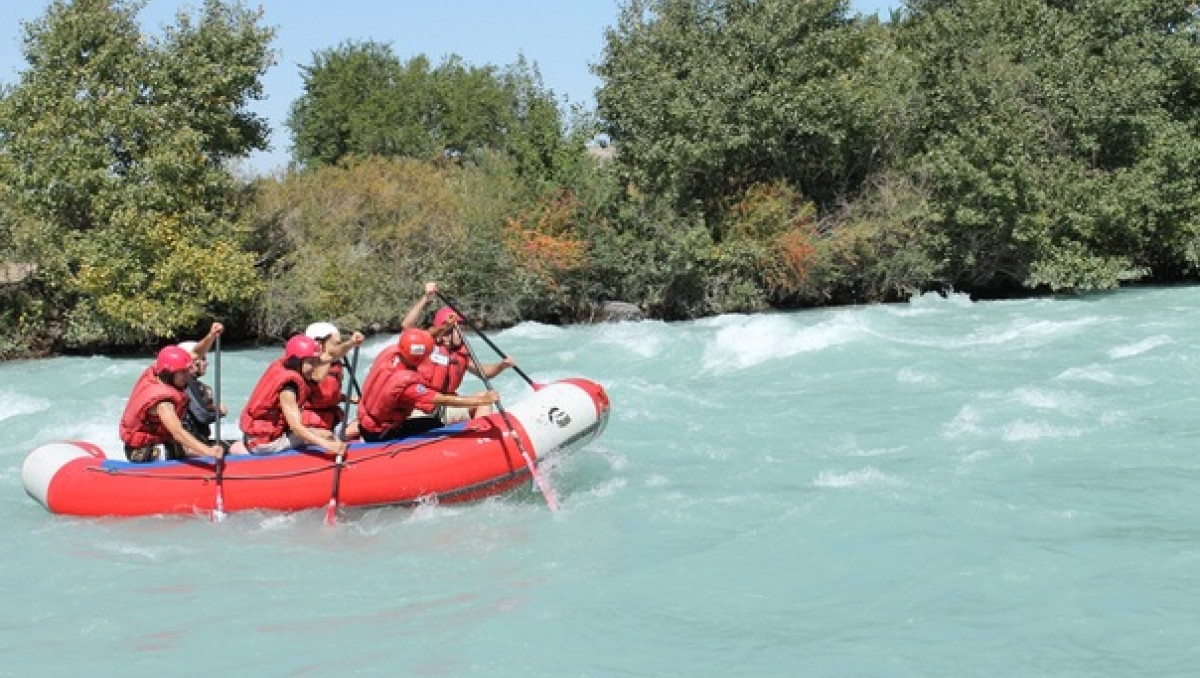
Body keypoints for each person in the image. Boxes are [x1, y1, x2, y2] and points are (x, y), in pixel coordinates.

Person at [400, 281, 516, 424]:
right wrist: (426, 298)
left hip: (448, 407)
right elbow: (407, 326)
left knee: (484, 399)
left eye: (456, 330)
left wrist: (501, 366)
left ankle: (479, 441)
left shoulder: (460, 354)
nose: (458, 334)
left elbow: (484, 373)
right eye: (449, 331)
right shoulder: (426, 347)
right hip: (421, 409)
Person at [357, 328, 499, 442]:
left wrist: (444, 326)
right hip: (381, 433)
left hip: (365, 424)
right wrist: (483, 400)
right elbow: (443, 400)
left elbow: (420, 339)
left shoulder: (390, 353)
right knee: (435, 424)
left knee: (427, 421)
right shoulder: (407, 384)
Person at [238, 334, 348, 457]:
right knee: (328, 437)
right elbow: (296, 427)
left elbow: (329, 357)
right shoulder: (289, 388)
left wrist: (351, 344)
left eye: (315, 362)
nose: (314, 367)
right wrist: (328, 445)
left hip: (257, 436)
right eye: (311, 362)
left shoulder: (284, 366)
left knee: (325, 434)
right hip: (266, 444)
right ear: (297, 362)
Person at [119, 345, 225, 463]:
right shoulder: (163, 403)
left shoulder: (159, 371)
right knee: (187, 449)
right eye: (183, 373)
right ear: (169, 374)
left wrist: (211, 335)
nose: (188, 376)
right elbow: (178, 433)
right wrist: (209, 452)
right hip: (140, 450)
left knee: (193, 446)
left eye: (187, 371)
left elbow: (194, 354)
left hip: (158, 440)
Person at [300, 322, 365, 436]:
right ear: (319, 343)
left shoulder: (335, 364)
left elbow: (327, 395)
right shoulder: (309, 365)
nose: (339, 347)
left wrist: (350, 399)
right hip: (315, 426)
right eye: (336, 344)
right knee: (364, 427)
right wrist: (350, 343)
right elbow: (318, 378)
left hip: (333, 419)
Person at [177, 322, 226, 444]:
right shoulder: (188, 383)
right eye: (203, 359)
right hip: (192, 444)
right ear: (193, 362)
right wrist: (219, 411)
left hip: (197, 439)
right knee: (236, 449)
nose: (206, 363)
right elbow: (202, 415)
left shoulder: (186, 381)